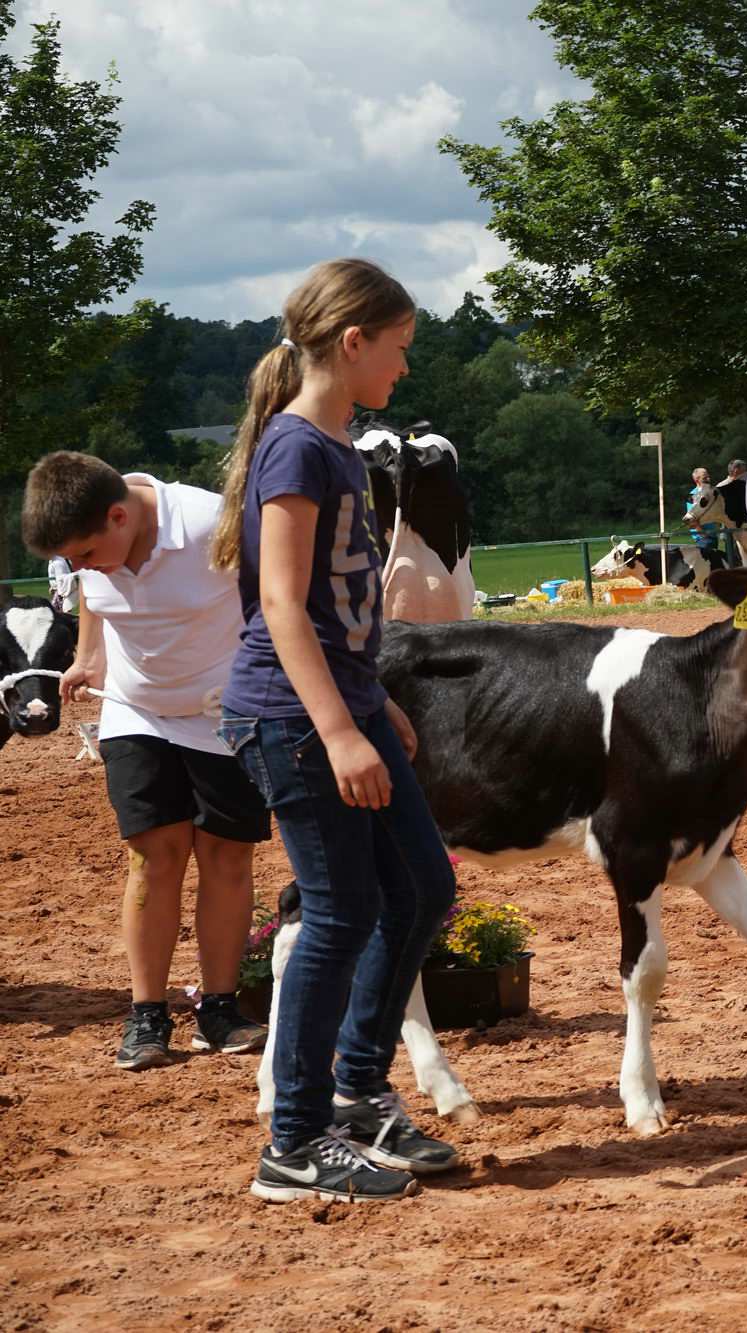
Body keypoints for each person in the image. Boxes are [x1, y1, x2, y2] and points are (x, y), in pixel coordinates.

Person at [211, 258, 458, 1204]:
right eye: (396, 351)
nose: (401, 370)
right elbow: (279, 602)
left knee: (424, 886)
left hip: (342, 701)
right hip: (291, 715)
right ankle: (296, 1137)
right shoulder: (296, 448)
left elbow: (335, 604)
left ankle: (357, 1088)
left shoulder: (336, 443)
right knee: (340, 909)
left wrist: (371, 699)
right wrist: (340, 729)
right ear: (351, 343)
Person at [21, 452, 271, 1071]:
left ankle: (219, 1009)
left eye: (83, 554)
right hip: (136, 710)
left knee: (225, 854)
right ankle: (148, 1017)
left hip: (224, 713)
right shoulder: (93, 546)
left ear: (119, 517)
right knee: (154, 855)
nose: (78, 569)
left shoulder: (215, 524)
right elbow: (95, 597)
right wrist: (86, 657)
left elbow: (277, 600)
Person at [685, 466, 733, 569]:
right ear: (696, 479)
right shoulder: (692, 496)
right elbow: (691, 519)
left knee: (714, 565)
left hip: (713, 535)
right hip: (703, 538)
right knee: (705, 566)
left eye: (708, 476)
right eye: (704, 477)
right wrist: (703, 535)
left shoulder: (712, 492)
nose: (708, 479)